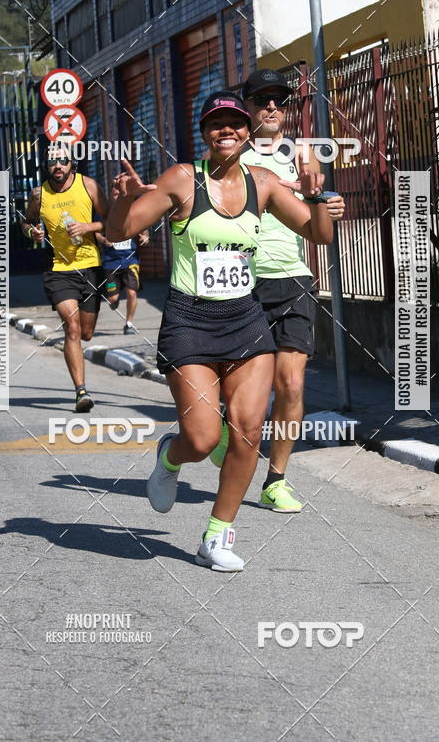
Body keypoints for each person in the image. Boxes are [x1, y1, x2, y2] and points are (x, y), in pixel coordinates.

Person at [106, 91, 333, 571]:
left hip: (245, 321)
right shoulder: (182, 179)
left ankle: (217, 536)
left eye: (234, 123)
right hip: (189, 321)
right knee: (204, 438)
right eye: (216, 124)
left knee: (247, 431)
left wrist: (315, 198)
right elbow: (119, 231)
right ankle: (171, 456)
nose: (226, 130)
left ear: (246, 131)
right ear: (205, 134)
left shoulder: (264, 182)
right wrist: (123, 201)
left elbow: (319, 234)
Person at [211, 68, 346, 513]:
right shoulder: (230, 154)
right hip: (241, 282)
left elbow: (315, 213)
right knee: (240, 387)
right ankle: (226, 425)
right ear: (247, 108)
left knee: (291, 383)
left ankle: (276, 479)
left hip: (292, 278)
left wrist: (327, 204)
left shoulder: (302, 157)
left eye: (280, 100)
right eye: (262, 100)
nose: (272, 107)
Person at [21, 143, 109, 412]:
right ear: (46, 166)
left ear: (72, 164)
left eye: (63, 161)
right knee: (71, 327)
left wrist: (88, 226)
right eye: (52, 162)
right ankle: (81, 391)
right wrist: (32, 232)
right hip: (58, 270)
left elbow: (113, 221)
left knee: (86, 333)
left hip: (90, 267)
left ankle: (81, 377)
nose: (57, 166)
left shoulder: (88, 186)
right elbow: (26, 221)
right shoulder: (39, 194)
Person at [95, 187, 150, 335]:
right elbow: (96, 233)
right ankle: (114, 300)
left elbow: (144, 229)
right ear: (111, 196)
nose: (118, 196)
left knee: (132, 292)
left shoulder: (133, 211)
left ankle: (129, 324)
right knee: (113, 299)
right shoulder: (105, 213)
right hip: (111, 262)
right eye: (115, 194)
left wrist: (145, 237)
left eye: (120, 194)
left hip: (130, 260)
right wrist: (103, 240)